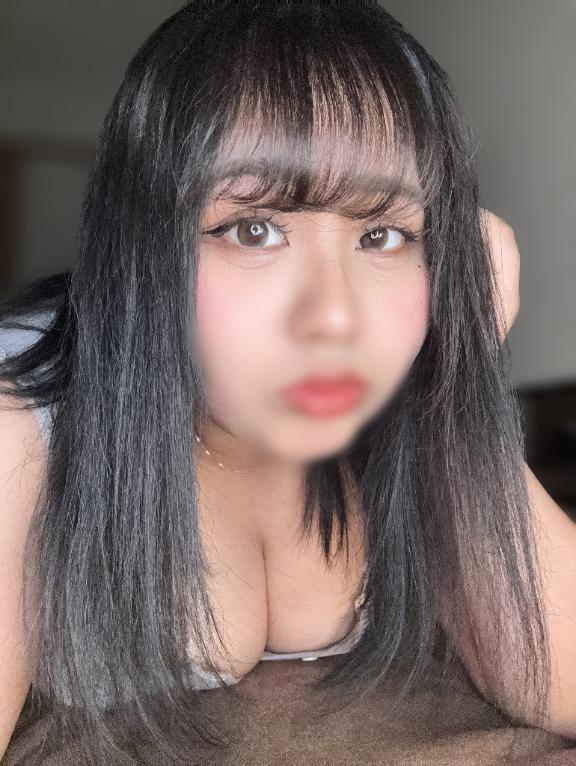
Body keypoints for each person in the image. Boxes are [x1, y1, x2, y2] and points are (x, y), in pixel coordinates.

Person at [0, 1, 553, 764]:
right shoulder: (22, 423)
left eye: (382, 234)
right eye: (253, 230)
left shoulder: (402, 387)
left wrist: (462, 365)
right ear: (140, 246)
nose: (335, 317)